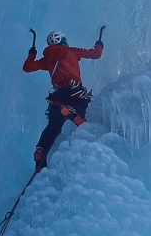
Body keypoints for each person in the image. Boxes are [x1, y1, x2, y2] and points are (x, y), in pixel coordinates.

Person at [23, 29, 103, 172]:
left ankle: (41, 151)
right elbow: (96, 54)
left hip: (57, 97)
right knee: (83, 108)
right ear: (62, 41)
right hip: (74, 91)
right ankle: (73, 113)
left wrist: (32, 54)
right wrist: (99, 44)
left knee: (53, 127)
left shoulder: (46, 59)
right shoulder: (71, 51)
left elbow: (27, 68)